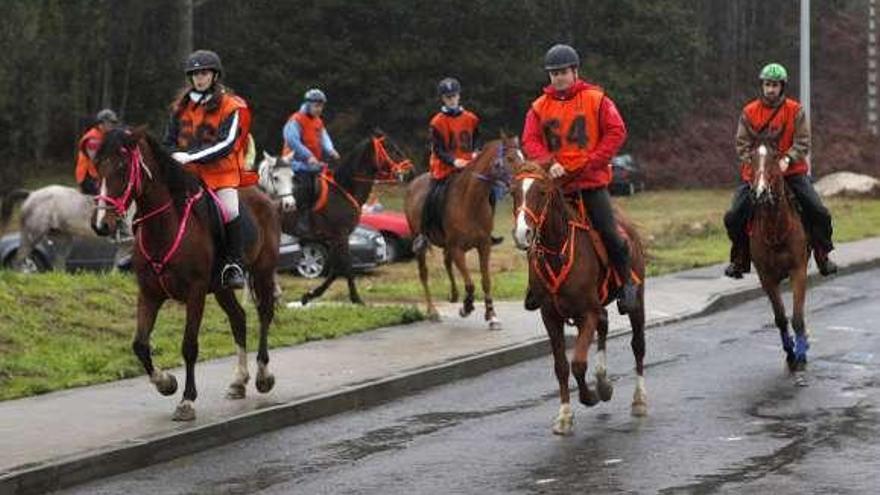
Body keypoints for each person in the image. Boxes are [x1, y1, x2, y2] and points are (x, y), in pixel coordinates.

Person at [521, 44, 639, 314]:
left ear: (575, 71)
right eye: (553, 73)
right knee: (533, 231)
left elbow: (616, 131)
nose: (558, 78)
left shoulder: (596, 99)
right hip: (556, 186)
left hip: (590, 184)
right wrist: (548, 164)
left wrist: (593, 160)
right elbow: (530, 139)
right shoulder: (539, 107)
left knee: (611, 233)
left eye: (563, 72)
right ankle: (536, 285)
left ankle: (625, 285)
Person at [723, 62, 837, 279]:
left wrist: (788, 158)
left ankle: (823, 254)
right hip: (758, 175)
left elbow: (803, 141)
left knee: (818, 211)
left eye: (775, 85)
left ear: (782, 86)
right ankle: (739, 257)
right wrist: (757, 164)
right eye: (767, 84)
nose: (771, 89)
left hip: (791, 173)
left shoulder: (795, 110)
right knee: (734, 215)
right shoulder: (749, 112)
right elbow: (741, 144)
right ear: (762, 86)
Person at [162, 49, 252, 289]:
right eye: (195, 74)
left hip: (220, 175)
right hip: (187, 176)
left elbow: (226, 144)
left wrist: (189, 157)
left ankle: (234, 265)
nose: (199, 78)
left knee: (231, 210)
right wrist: (174, 157)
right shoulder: (179, 108)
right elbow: (168, 142)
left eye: (204, 73)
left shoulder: (232, 106)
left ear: (215, 76)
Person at [412, 77, 502, 251]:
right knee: (433, 196)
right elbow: (437, 149)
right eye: (448, 97)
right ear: (442, 99)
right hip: (444, 168)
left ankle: (486, 230)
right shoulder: (437, 122)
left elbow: (477, 139)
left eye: (454, 96)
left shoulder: (471, 118)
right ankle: (424, 234)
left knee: (489, 192)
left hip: (468, 168)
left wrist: (476, 151)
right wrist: (454, 161)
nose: (452, 100)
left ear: (459, 96)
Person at [281, 88, 341, 212]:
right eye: (316, 106)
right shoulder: (296, 120)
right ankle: (299, 215)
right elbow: (293, 141)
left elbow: (324, 138)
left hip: (312, 164)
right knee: (306, 187)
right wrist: (308, 156)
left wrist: (331, 150)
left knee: (325, 185)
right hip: (294, 163)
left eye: (321, 106)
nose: (319, 109)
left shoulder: (318, 121)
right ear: (308, 105)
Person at [75, 109, 120, 195]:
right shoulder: (93, 138)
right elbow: (95, 160)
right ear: (102, 123)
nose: (113, 126)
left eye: (114, 123)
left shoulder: (104, 136)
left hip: (96, 175)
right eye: (111, 123)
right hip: (88, 176)